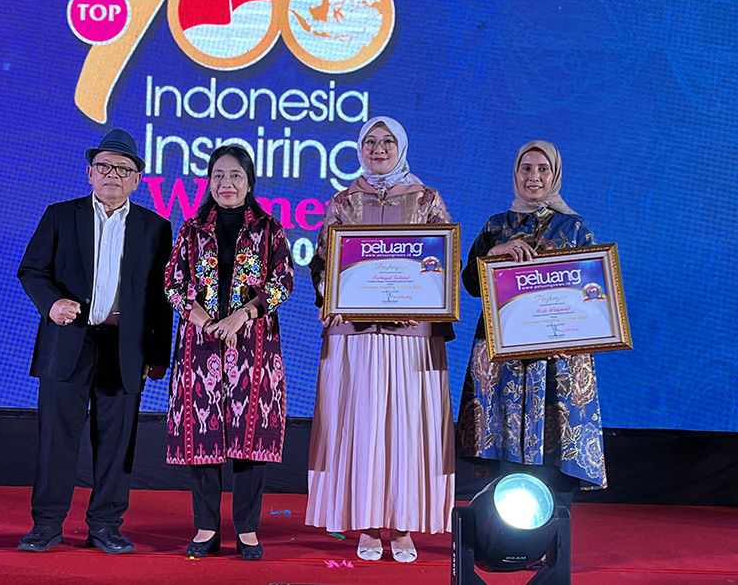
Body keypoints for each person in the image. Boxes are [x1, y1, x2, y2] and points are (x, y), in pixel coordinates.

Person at [305, 116, 455, 563]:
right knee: (362, 426)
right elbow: (323, 261)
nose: (378, 148)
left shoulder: (427, 200)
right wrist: (330, 293)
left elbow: (442, 264)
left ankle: (403, 524)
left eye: (388, 141)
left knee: (408, 428)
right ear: (359, 148)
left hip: (412, 337)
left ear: (401, 146)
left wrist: (424, 303)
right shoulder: (343, 202)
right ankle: (368, 523)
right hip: (357, 336)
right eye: (370, 141)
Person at [16, 129, 173, 554]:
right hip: (69, 342)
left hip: (125, 348)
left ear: (137, 179)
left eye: (123, 169)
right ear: (89, 173)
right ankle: (47, 525)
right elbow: (31, 271)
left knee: (116, 444)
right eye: (104, 166)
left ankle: (105, 525)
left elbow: (162, 298)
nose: (112, 175)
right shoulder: (60, 216)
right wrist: (51, 304)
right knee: (56, 439)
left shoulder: (155, 228)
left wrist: (158, 355)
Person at [456, 140, 606, 511]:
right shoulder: (496, 226)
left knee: (554, 449)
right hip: (505, 354)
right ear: (515, 173)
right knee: (504, 444)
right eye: (526, 168)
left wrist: (572, 337)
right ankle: (504, 532)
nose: (533, 177)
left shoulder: (575, 228)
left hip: (558, 355)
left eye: (543, 169)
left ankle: (552, 530)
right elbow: (470, 285)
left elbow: (593, 294)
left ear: (555, 175)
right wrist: (494, 254)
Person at [164, 145, 295, 561]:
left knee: (250, 439)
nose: (227, 183)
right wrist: (206, 322)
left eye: (236, 175)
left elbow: (283, 282)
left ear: (250, 182)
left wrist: (242, 315)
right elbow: (173, 284)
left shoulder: (269, 229)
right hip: (200, 347)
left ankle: (248, 530)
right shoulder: (191, 230)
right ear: (208, 182)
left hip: (253, 347)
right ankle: (205, 528)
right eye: (218, 175)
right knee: (202, 438)